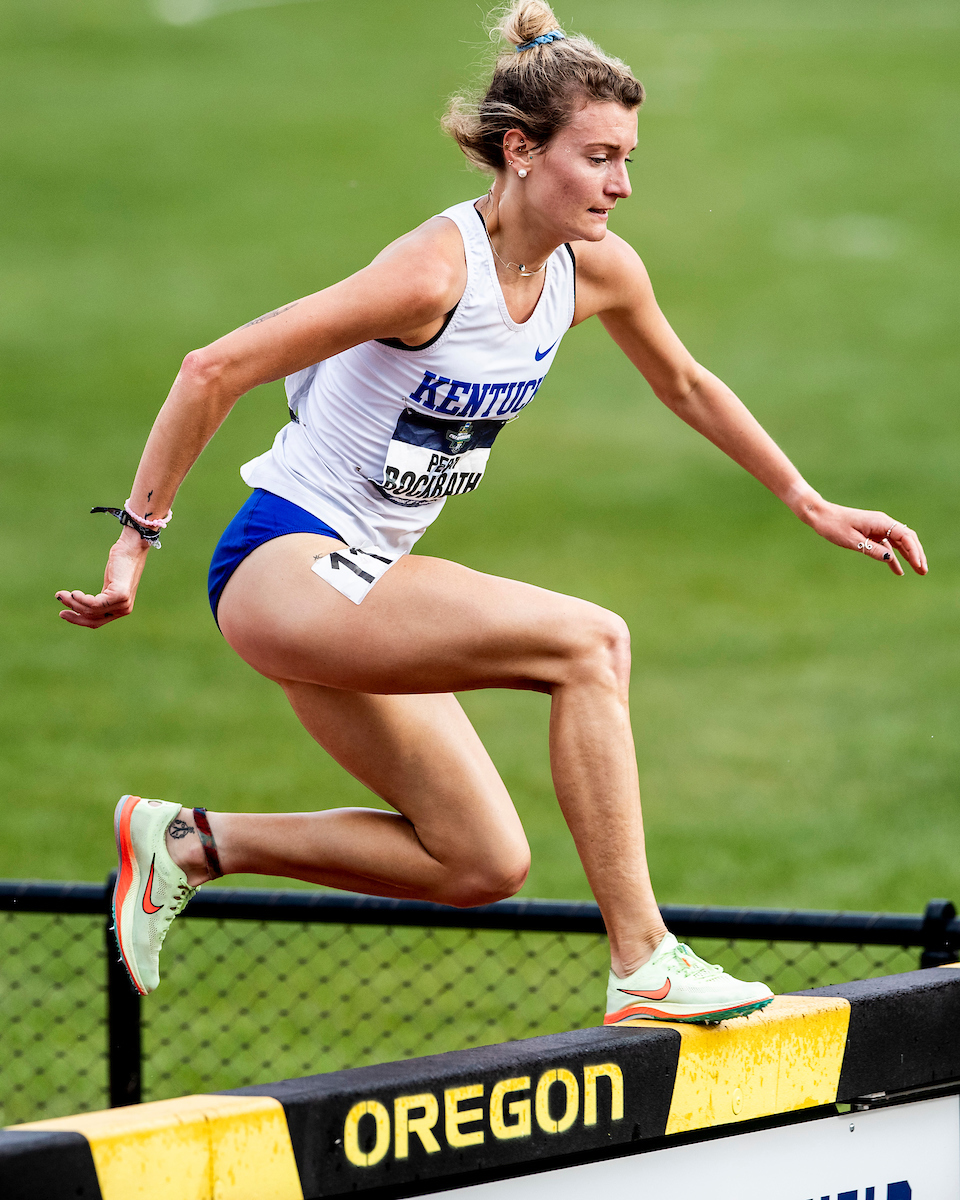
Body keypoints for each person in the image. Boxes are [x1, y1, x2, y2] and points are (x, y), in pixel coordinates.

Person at [57, 0, 927, 1024]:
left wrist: (807, 500)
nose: (622, 184)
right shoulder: (431, 273)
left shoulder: (596, 270)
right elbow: (216, 367)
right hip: (283, 563)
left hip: (359, 581)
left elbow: (685, 383)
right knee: (590, 645)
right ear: (521, 151)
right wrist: (136, 542)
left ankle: (192, 842)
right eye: (599, 157)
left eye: (630, 158)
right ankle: (645, 961)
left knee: (479, 859)